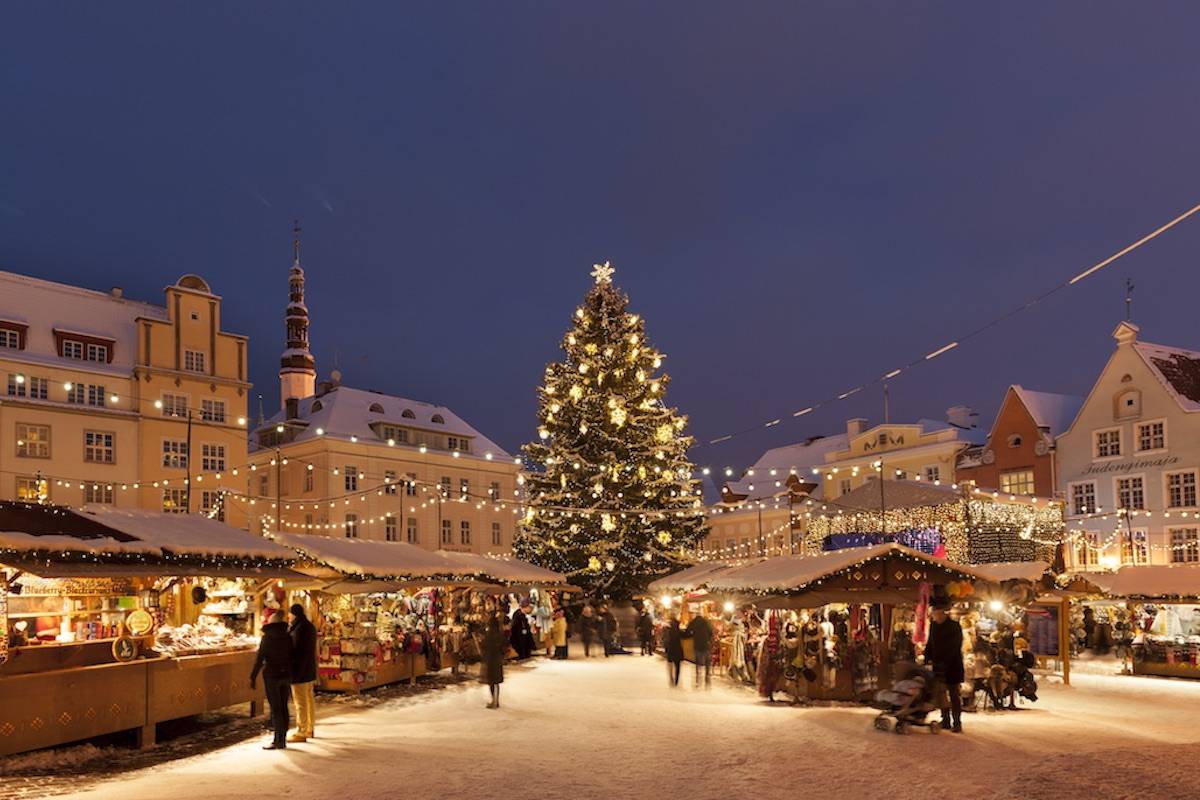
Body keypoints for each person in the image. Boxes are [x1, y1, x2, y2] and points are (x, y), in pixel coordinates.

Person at [250, 611, 294, 750]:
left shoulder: (267, 638)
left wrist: (253, 676)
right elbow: (292, 655)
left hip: (272, 676)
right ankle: (283, 738)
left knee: (275, 708)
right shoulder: (288, 637)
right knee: (283, 706)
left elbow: (260, 659)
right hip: (286, 675)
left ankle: (277, 740)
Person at [925, 599, 965, 733]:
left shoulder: (954, 626)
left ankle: (957, 722)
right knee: (941, 694)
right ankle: (946, 720)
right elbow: (930, 643)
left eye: (938, 613)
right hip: (938, 665)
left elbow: (955, 647)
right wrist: (927, 658)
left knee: (953, 694)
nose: (936, 616)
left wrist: (945, 662)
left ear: (943, 613)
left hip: (952, 665)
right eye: (934, 614)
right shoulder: (934, 625)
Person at [287, 603, 318, 743]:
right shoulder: (309, 626)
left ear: (294, 614)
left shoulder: (298, 628)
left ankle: (302, 731)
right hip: (309, 669)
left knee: (300, 702)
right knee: (308, 699)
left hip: (299, 670)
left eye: (290, 614)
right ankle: (310, 728)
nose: (288, 617)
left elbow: (295, 650)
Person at [481, 613, 506, 709]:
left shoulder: (489, 635)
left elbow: (484, 646)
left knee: (491, 681)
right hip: (498, 659)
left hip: (490, 660)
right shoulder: (500, 634)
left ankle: (493, 701)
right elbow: (504, 646)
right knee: (497, 682)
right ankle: (496, 700)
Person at [685, 608, 714, 687]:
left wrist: (693, 634)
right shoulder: (707, 622)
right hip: (706, 645)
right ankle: (707, 681)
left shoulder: (693, 622)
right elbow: (711, 632)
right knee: (707, 663)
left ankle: (698, 681)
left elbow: (687, 632)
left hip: (697, 645)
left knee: (698, 663)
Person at [664, 613, 684, 686]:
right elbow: (685, 635)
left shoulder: (667, 629)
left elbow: (665, 639)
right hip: (677, 649)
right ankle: (676, 680)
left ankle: (671, 679)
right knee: (677, 666)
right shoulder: (678, 630)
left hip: (670, 649)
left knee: (670, 664)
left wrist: (666, 648)